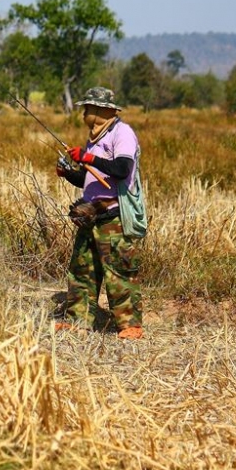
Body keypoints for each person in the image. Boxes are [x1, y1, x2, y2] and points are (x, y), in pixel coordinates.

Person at [54, 86, 144, 340]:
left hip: (112, 215)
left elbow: (122, 168)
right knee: (82, 269)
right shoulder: (93, 138)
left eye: (87, 109)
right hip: (89, 214)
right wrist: (69, 173)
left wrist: (88, 158)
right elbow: (88, 178)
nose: (83, 114)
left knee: (119, 271)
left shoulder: (122, 133)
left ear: (100, 110)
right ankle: (77, 320)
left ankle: (130, 325)